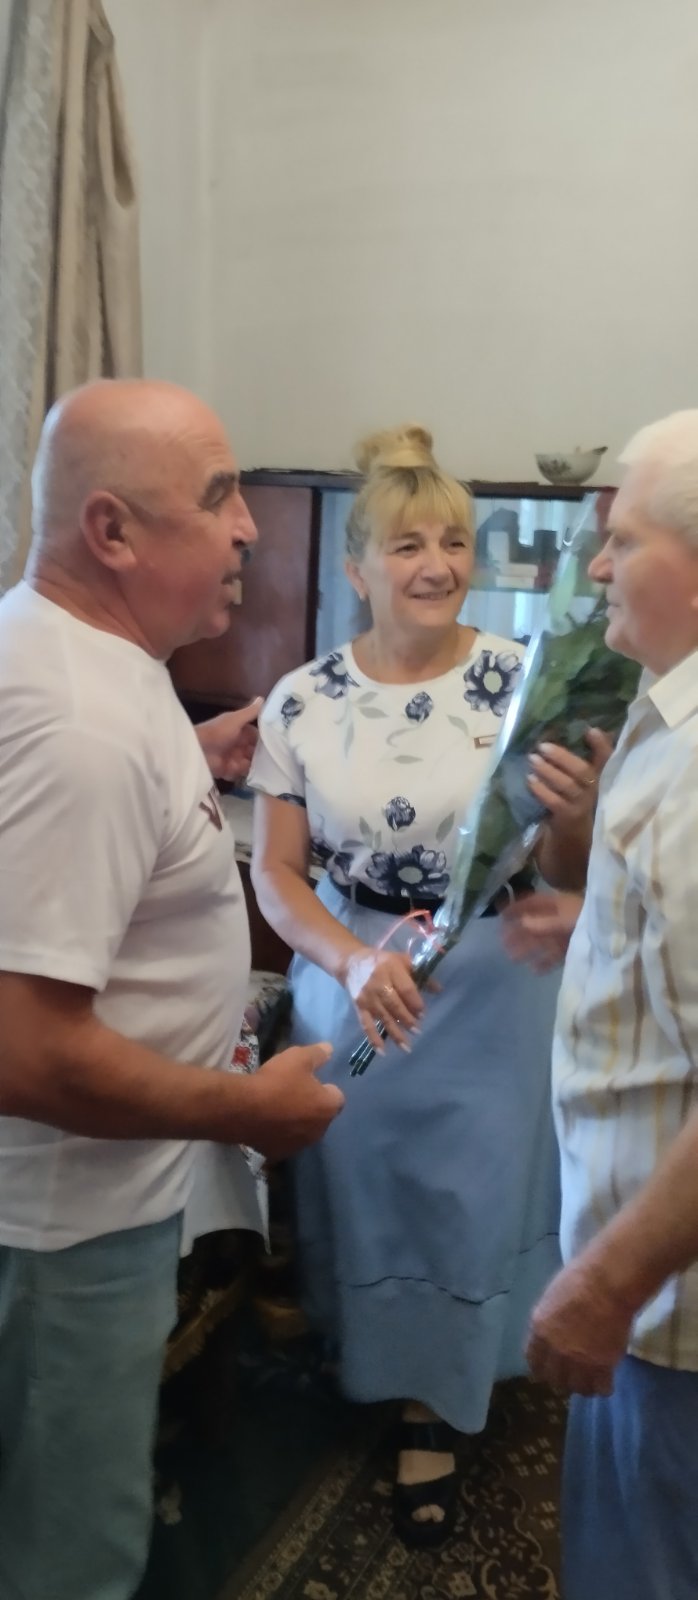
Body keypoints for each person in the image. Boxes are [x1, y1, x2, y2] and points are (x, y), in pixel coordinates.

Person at [0, 378, 344, 1600]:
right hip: (61, 1232)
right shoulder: (83, 730)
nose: (249, 525)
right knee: (70, 1553)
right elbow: (27, 1052)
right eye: (218, 497)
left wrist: (181, 762)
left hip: (81, 1211)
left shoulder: (91, 651)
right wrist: (246, 1111)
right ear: (112, 531)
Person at [249, 424, 603, 1545]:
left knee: (467, 1195)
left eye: (453, 541)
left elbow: (562, 870)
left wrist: (578, 818)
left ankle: (436, 1404)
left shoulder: (524, 682)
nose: (438, 564)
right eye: (407, 544)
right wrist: (353, 961)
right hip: (352, 977)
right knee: (360, 1187)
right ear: (357, 568)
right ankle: (365, 1355)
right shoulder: (301, 698)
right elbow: (276, 873)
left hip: (492, 987)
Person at [502, 410, 698, 1600]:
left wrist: (601, 1286)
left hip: (670, 1314)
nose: (595, 562)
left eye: (621, 540)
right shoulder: (664, 708)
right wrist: (601, 923)